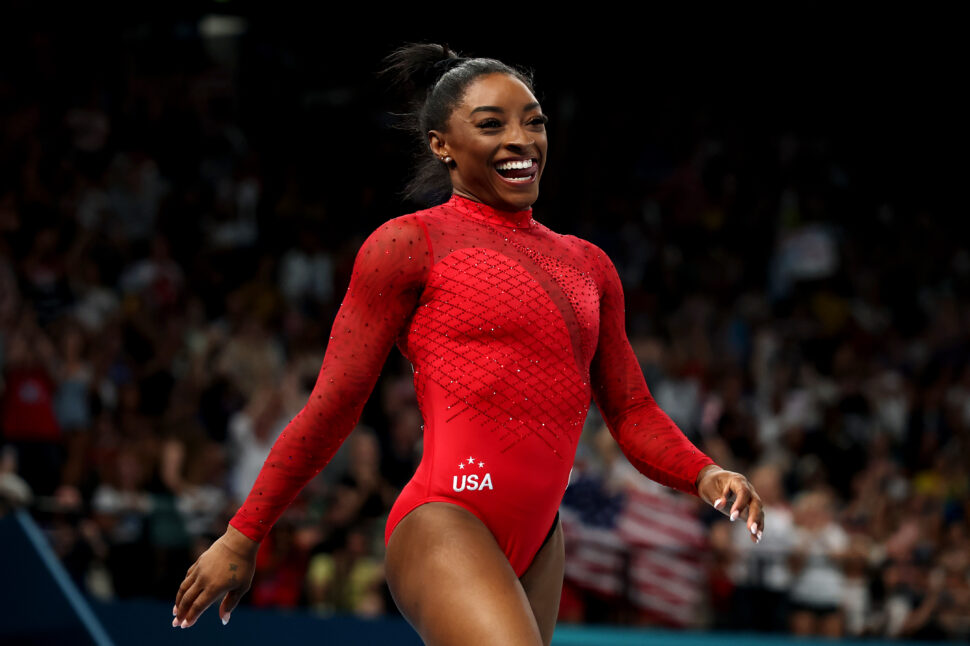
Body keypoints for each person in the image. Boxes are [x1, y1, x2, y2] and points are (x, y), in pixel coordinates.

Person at [172, 44, 765, 645]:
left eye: (534, 122)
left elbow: (632, 411)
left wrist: (704, 473)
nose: (521, 140)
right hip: (445, 517)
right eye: (491, 125)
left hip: (539, 539)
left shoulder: (591, 264)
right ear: (441, 145)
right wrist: (242, 534)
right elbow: (334, 406)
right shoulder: (407, 245)